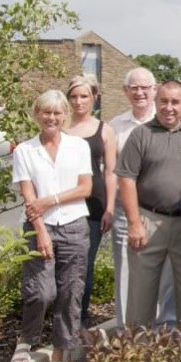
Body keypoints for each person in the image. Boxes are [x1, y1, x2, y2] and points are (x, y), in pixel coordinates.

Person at [116, 80, 181, 340]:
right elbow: (126, 179)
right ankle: (139, 350)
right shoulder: (141, 135)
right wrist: (134, 222)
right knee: (142, 291)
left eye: (175, 102)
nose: (169, 108)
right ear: (156, 102)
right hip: (149, 220)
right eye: (164, 102)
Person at [10, 90, 93, 362]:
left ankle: (60, 355)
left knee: (71, 291)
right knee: (41, 292)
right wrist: (41, 229)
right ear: (37, 115)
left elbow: (85, 188)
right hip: (38, 226)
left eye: (57, 113)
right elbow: (29, 196)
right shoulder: (24, 151)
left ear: (65, 116)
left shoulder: (78, 147)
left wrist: (52, 201)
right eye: (46, 112)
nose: (52, 118)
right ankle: (28, 337)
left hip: (73, 225)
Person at [108, 67, 172, 328]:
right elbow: (112, 172)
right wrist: (110, 208)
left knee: (165, 273)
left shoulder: (168, 121)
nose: (140, 92)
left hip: (161, 212)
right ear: (125, 91)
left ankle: (162, 332)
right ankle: (128, 332)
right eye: (134, 87)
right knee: (126, 272)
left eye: (145, 87)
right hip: (127, 212)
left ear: (154, 90)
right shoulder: (115, 127)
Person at [64, 75, 117, 326]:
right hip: (63, 203)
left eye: (84, 96)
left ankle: (80, 316)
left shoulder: (104, 130)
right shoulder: (60, 126)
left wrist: (109, 207)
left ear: (94, 98)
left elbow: (110, 171)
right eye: (73, 96)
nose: (78, 101)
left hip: (93, 206)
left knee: (84, 263)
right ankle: (61, 315)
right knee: (62, 262)